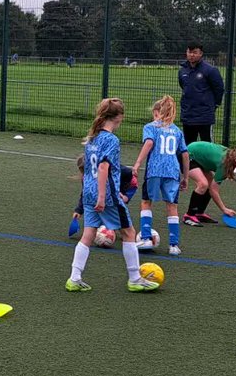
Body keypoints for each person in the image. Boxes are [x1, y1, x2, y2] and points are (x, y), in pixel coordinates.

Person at [65, 97, 160, 293]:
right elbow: (103, 167)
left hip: (89, 193)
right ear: (118, 117)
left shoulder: (93, 138)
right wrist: (102, 197)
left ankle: (74, 278)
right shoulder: (111, 139)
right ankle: (135, 278)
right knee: (129, 233)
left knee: (88, 234)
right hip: (106, 195)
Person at [130, 94, 190, 257]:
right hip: (172, 172)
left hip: (155, 170)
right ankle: (174, 245)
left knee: (146, 202)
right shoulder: (177, 131)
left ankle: (147, 238)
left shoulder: (151, 127)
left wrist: (137, 164)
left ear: (157, 112)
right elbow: (185, 154)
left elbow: (149, 143)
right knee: (172, 206)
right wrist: (185, 177)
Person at [182, 141, 236, 225]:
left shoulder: (230, 158)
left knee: (209, 184)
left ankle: (199, 213)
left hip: (198, 157)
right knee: (203, 184)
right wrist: (224, 209)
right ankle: (189, 215)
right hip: (188, 155)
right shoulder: (224, 163)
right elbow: (214, 190)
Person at [70, 156, 137, 236]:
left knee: (117, 206)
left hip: (129, 186)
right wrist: (79, 210)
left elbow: (129, 173)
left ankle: (124, 230)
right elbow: (85, 194)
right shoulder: (87, 178)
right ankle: (108, 227)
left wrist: (123, 194)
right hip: (110, 188)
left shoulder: (115, 170)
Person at [177, 43, 225, 144]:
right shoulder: (182, 71)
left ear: (201, 53)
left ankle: (206, 160)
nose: (192, 55)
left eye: (195, 52)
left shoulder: (210, 70)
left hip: (204, 116)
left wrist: (214, 105)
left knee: (207, 146)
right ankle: (191, 161)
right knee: (188, 146)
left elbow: (219, 89)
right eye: (189, 52)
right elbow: (183, 86)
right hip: (188, 115)